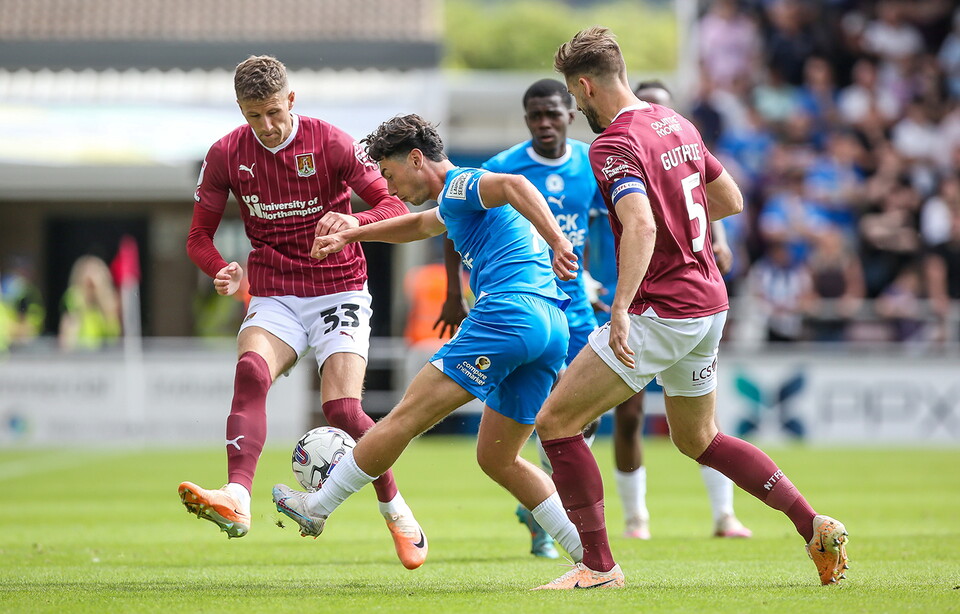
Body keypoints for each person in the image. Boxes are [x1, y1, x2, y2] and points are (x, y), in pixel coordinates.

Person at [532, 26, 849, 590]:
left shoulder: (613, 143)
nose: (577, 105)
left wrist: (622, 306)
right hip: (709, 303)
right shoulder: (676, 122)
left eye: (574, 94)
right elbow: (730, 199)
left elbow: (641, 222)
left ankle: (599, 568)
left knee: (556, 421)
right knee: (698, 438)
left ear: (583, 85)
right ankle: (813, 524)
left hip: (663, 309)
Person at [271, 113, 587, 572]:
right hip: (549, 325)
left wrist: (558, 240)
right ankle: (592, 558)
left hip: (508, 313)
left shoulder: (461, 185)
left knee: (401, 418)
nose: (390, 187)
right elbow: (419, 226)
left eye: (391, 174)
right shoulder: (456, 202)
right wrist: (354, 232)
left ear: (417, 159)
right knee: (499, 458)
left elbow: (516, 184)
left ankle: (317, 506)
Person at [178, 55, 428, 571]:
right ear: (241, 112)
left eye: (273, 112)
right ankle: (237, 498)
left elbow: (394, 205)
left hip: (339, 288)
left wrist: (352, 220)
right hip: (275, 292)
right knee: (249, 371)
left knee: (342, 410)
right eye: (254, 116)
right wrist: (219, 268)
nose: (266, 127)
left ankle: (395, 508)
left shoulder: (331, 142)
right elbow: (198, 235)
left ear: (291, 100)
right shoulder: (226, 153)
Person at [58, 255, 121, 351]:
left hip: (103, 354)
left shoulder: (109, 300)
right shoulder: (74, 297)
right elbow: (68, 330)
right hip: (80, 352)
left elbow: (113, 334)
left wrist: (100, 297)